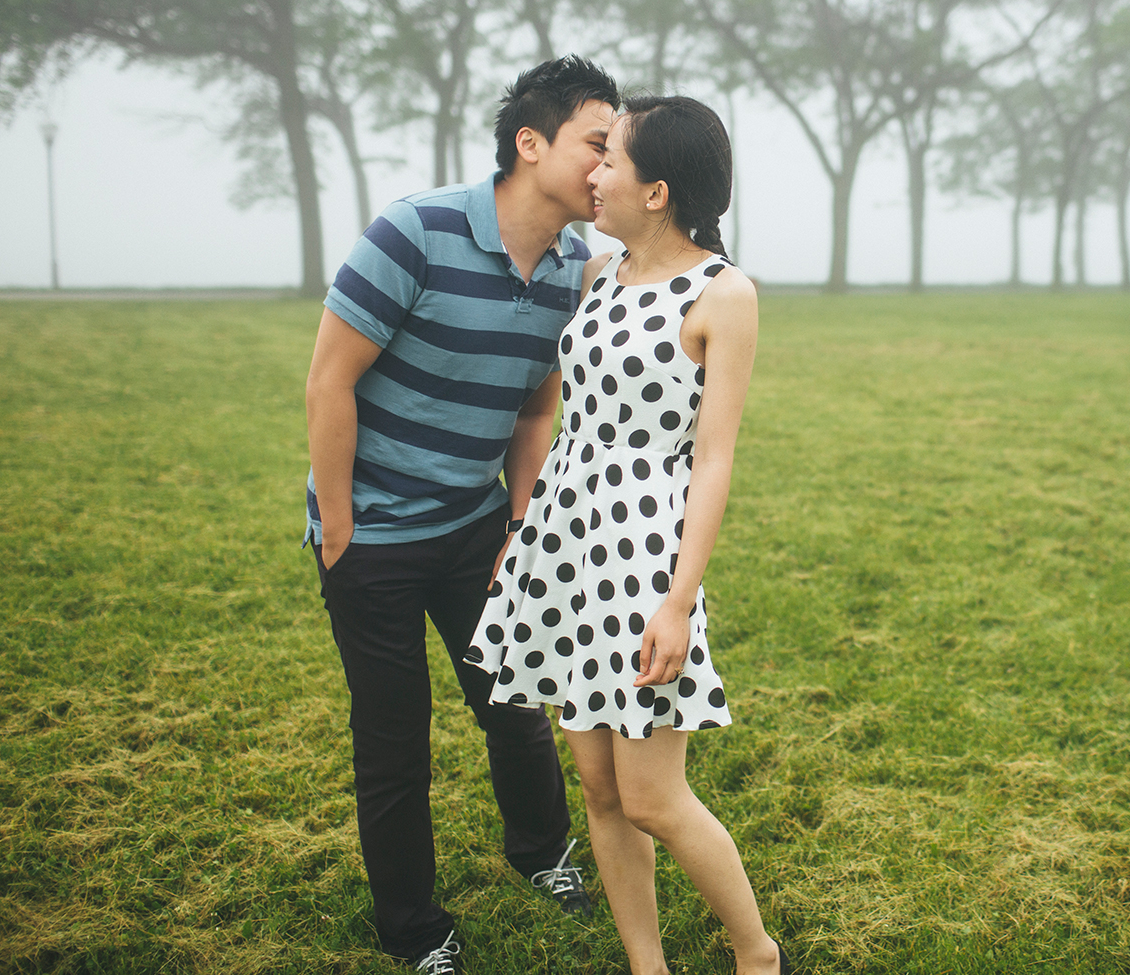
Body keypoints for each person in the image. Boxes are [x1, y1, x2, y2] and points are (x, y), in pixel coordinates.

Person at [303, 56, 620, 973]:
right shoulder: (417, 230)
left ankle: (542, 852)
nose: (609, 168)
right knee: (393, 740)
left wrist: (519, 524)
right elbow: (330, 379)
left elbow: (532, 411)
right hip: (369, 537)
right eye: (596, 145)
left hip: (476, 525)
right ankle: (414, 928)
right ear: (531, 143)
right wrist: (340, 525)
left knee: (513, 700)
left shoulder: (572, 271)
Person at [466, 95, 790, 975]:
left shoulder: (725, 293)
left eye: (612, 158)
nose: (595, 172)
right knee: (602, 791)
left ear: (657, 190)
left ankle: (757, 954)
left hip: (647, 551)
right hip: (569, 544)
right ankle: (648, 966)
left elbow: (714, 459)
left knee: (653, 795)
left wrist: (679, 602)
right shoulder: (596, 273)